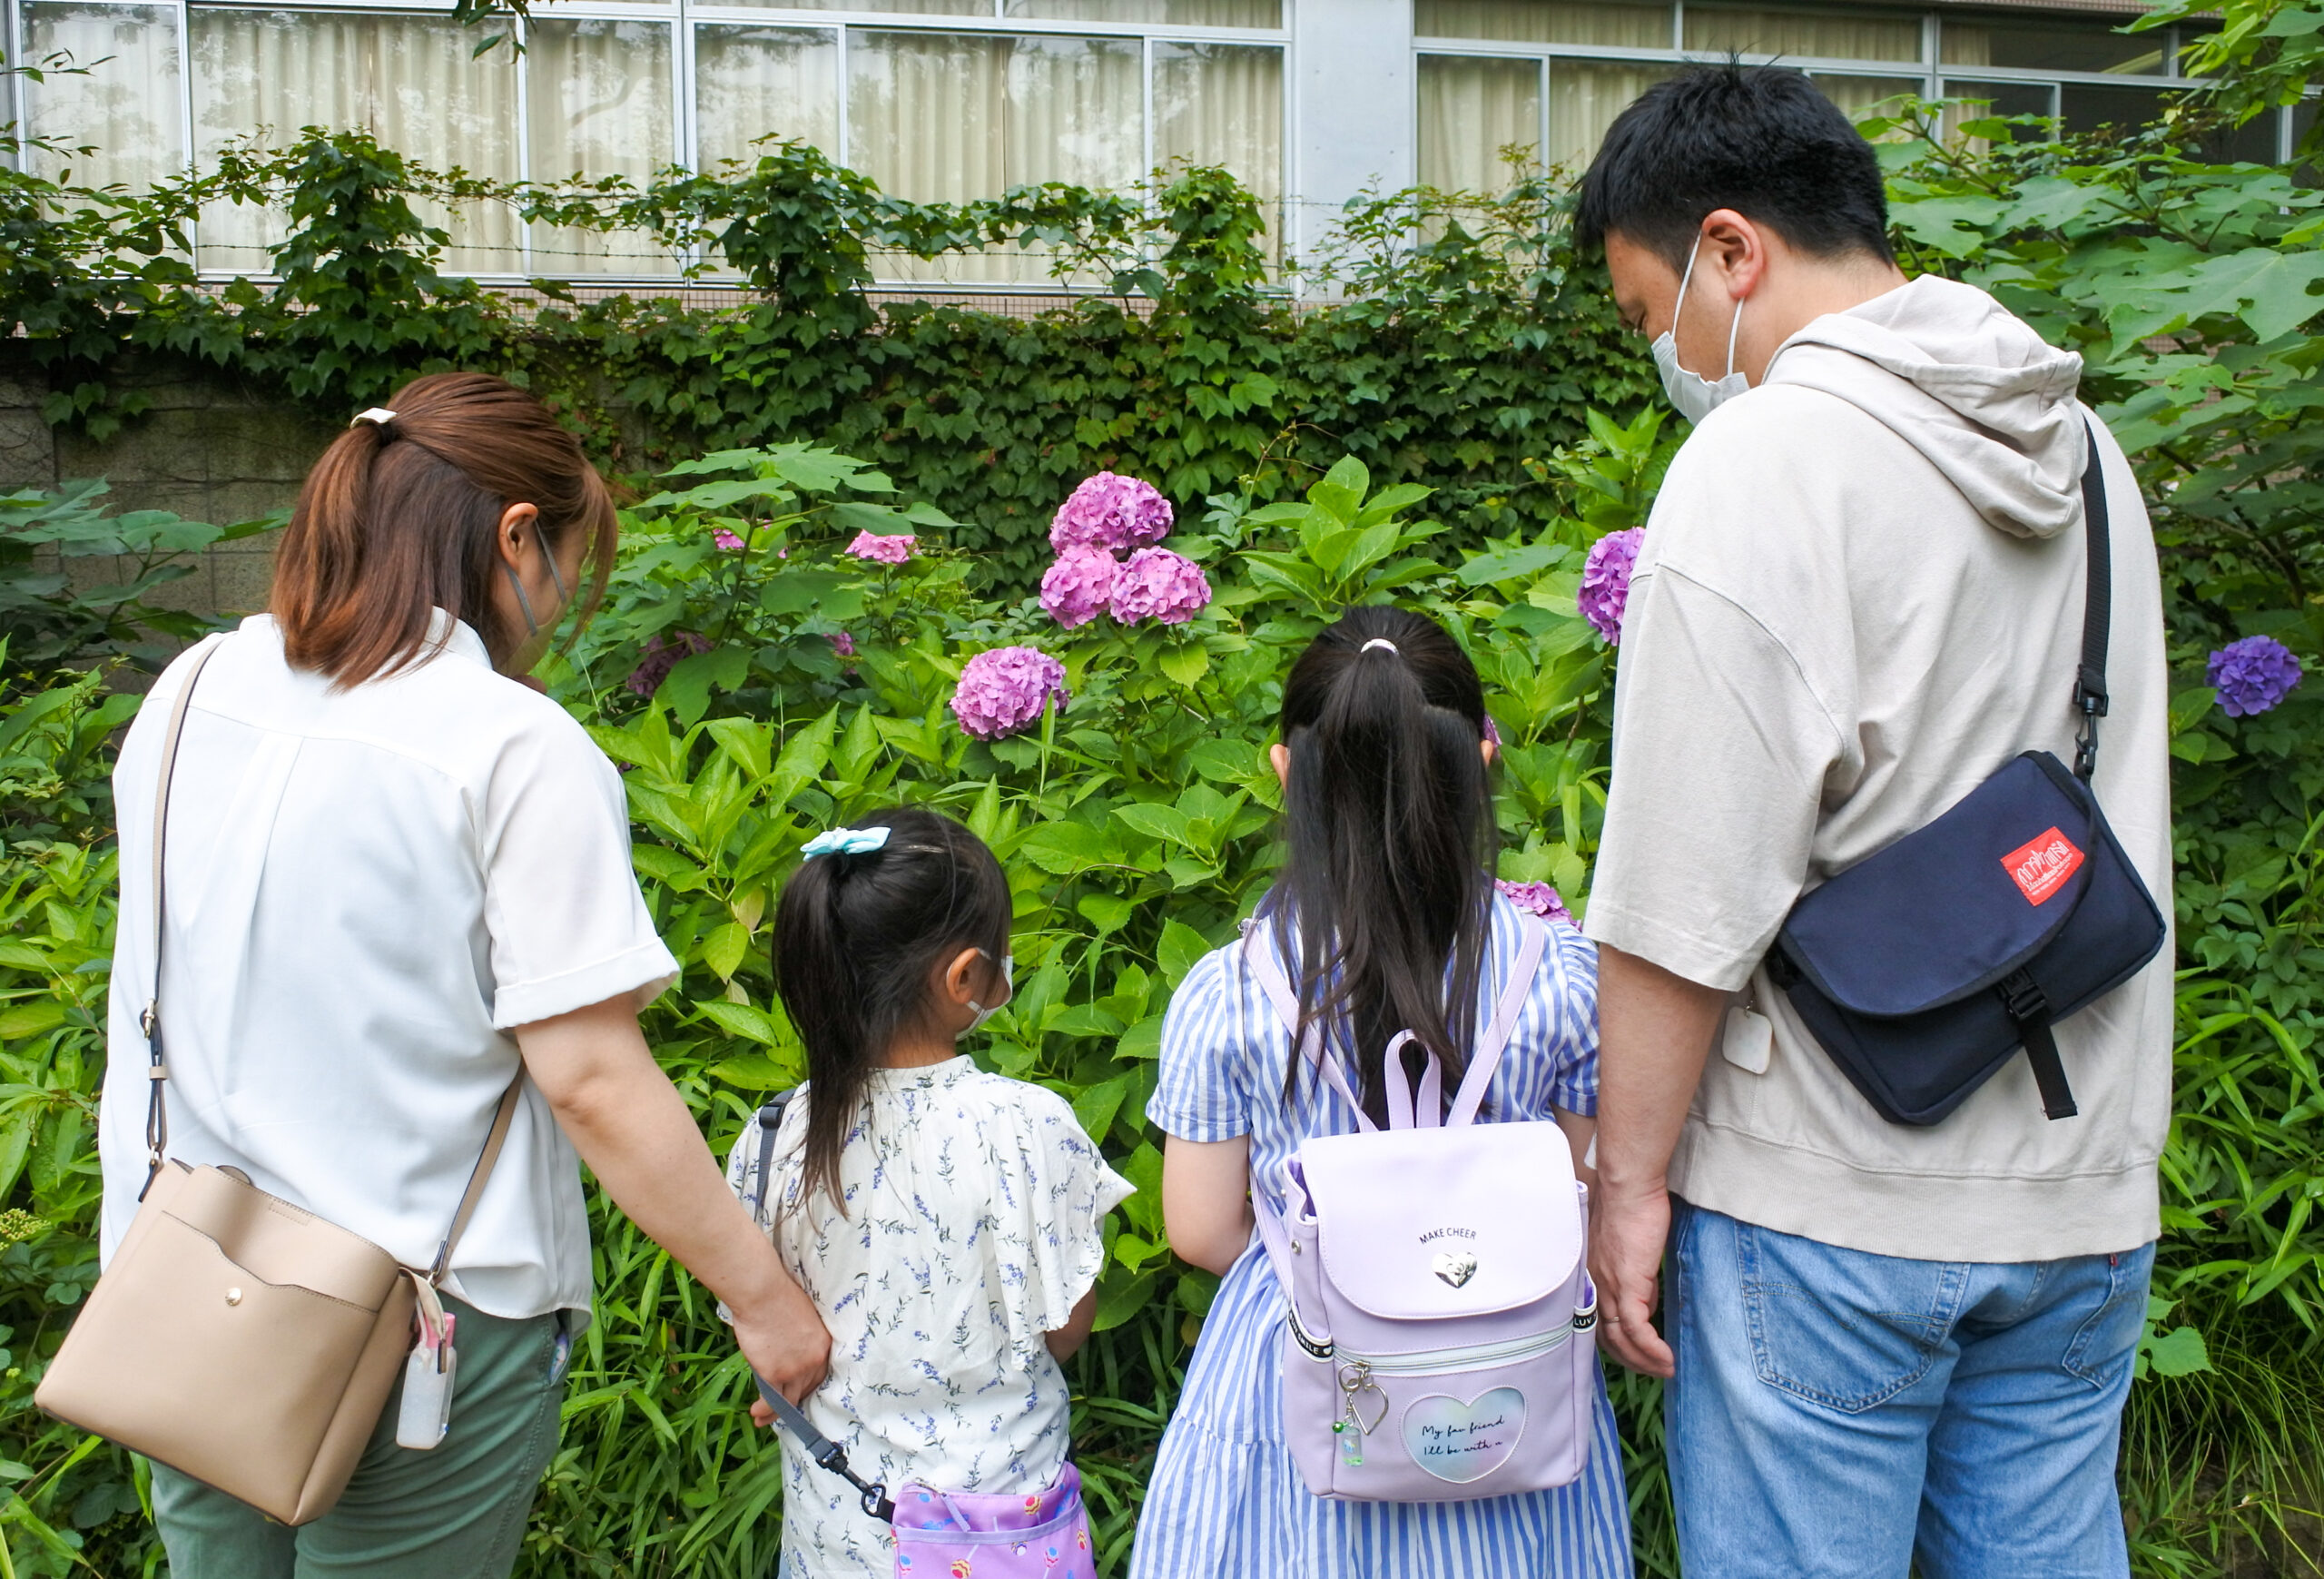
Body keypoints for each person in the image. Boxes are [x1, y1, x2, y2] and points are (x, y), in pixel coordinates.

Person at [1573, 65, 2172, 1579]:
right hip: (2082, 1188)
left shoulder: (1758, 462)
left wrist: (1630, 1183)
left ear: (1729, 250)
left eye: (1651, 314)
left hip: (1827, 1193)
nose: (1667, 354)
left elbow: (1681, 888)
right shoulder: (2089, 454)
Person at [97, 371, 830, 1578]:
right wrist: (765, 1299)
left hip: (186, 1284)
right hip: (423, 1315)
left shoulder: (189, 691)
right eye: (565, 567)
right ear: (513, 535)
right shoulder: (511, 743)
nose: (553, 612)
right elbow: (592, 1075)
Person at [1131, 606, 1630, 1578]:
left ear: (1287, 771)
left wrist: (1345, 1263)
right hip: (1505, 1376)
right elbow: (1577, 1184)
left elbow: (1197, 1229)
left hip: (1301, 1369)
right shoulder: (1557, 973)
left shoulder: (1226, 991)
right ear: (1482, 756)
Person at [723, 807, 1132, 1579]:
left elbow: (761, 1326)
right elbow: (1068, 1321)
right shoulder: (1028, 1124)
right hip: (1008, 1533)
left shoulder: (775, 1133)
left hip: (841, 1539)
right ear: (966, 976)